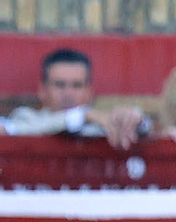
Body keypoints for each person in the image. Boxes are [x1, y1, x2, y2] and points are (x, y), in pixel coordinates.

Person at [4, 47, 147, 149]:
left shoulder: (101, 123)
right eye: (60, 85)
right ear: (42, 90)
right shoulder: (26, 117)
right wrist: (83, 115)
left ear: (89, 91)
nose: (68, 93)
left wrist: (134, 120)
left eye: (77, 85)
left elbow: (145, 130)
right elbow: (16, 130)